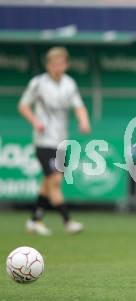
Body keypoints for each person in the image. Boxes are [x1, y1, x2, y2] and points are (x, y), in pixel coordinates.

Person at [18, 46, 91, 236]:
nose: (57, 67)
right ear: (48, 65)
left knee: (47, 182)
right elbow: (23, 105)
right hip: (43, 141)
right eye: (53, 64)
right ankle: (67, 221)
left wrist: (84, 121)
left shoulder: (69, 84)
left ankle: (35, 219)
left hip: (61, 142)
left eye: (60, 63)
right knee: (55, 180)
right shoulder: (38, 83)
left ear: (66, 65)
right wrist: (35, 121)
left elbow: (79, 107)